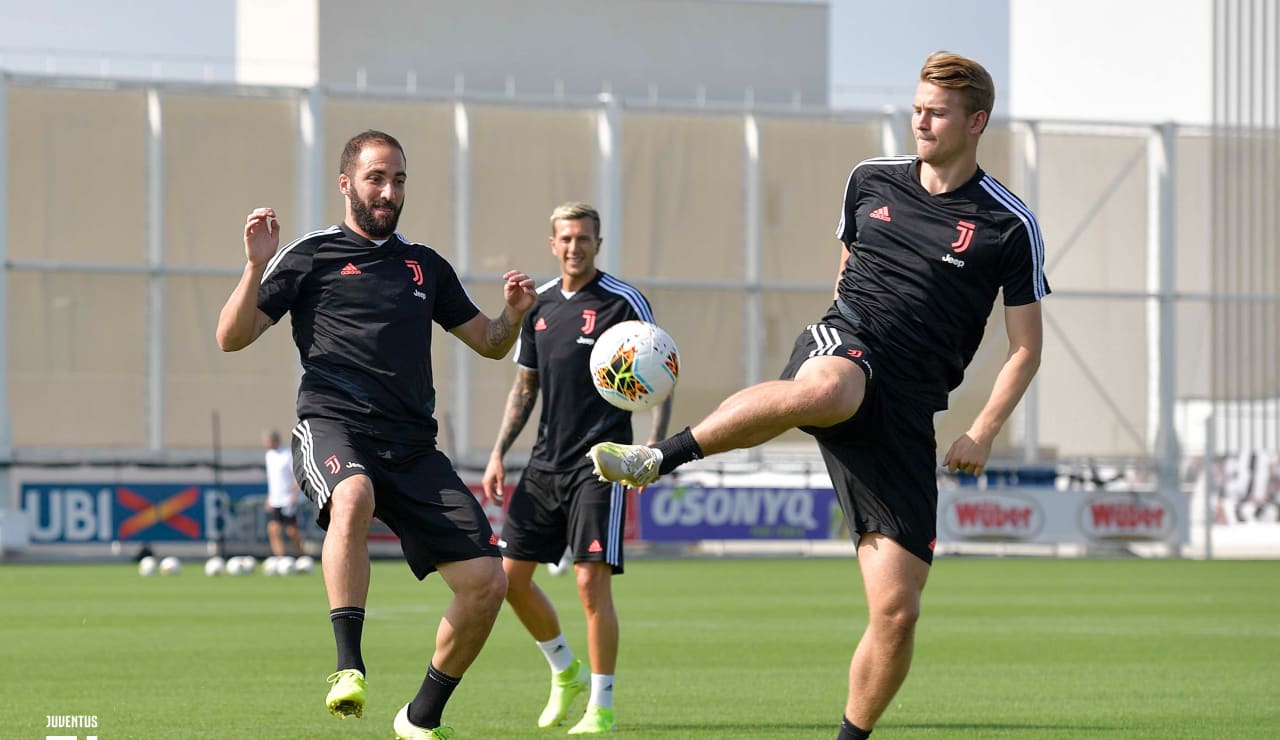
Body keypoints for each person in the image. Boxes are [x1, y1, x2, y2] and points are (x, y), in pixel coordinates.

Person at [589, 51, 1049, 739]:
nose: (920, 120)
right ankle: (657, 458)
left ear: (976, 122)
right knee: (833, 386)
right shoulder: (870, 179)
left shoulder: (1008, 224)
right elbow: (846, 273)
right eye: (917, 108)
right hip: (848, 342)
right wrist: (837, 336)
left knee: (898, 613)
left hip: (908, 408)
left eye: (937, 112)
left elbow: (1026, 347)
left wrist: (981, 430)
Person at [216, 129, 536, 740]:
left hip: (412, 448)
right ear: (346, 184)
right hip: (334, 426)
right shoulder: (310, 255)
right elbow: (231, 337)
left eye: (399, 180)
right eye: (376, 179)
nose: (389, 192)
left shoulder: (426, 265)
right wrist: (255, 265)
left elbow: (490, 343)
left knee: (487, 584)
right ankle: (348, 667)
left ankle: (420, 718)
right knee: (354, 494)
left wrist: (514, 316)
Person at [482, 202, 671, 735]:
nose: (574, 247)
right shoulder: (538, 304)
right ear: (553, 244)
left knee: (590, 583)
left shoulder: (624, 301)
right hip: (544, 464)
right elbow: (525, 387)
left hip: (601, 464)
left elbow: (663, 372)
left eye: (583, 238)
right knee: (506, 581)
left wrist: (654, 448)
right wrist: (498, 452)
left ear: (597, 243)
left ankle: (601, 706)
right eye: (565, 238)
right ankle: (566, 670)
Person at [263, 429, 304, 558]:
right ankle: (280, 558)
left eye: (268, 441)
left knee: (292, 531)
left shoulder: (287, 455)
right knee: (273, 529)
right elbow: (272, 480)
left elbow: (297, 475)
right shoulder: (269, 456)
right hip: (275, 500)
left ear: (275, 440)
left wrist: (294, 495)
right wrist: (269, 497)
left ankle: (301, 556)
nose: (266, 443)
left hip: (288, 499)